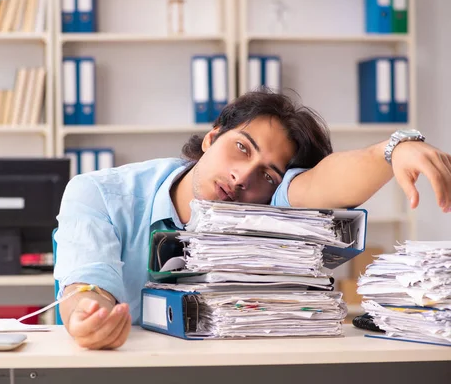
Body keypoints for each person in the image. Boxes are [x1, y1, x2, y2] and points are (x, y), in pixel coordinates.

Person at [54, 90, 451, 350]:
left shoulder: (266, 205)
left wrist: (393, 150)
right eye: (241, 148)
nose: (244, 178)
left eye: (268, 174)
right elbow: (87, 283)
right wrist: (89, 316)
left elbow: (323, 183)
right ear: (211, 138)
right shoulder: (101, 193)